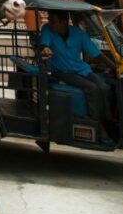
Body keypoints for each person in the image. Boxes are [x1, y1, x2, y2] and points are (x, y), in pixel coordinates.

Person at [39, 10, 114, 143]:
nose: (50, 23)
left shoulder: (78, 33)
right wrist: (45, 49)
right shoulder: (47, 29)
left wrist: (115, 65)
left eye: (53, 21)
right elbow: (44, 45)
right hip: (62, 71)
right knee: (92, 88)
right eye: (49, 20)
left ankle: (108, 118)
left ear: (64, 22)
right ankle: (97, 124)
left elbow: (95, 53)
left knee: (104, 87)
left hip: (82, 69)